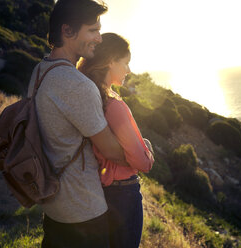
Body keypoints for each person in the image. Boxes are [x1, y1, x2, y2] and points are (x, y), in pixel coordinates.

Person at [27, 1, 128, 248]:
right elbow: (112, 151)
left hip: (54, 209)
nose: (99, 39)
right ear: (67, 31)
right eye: (92, 30)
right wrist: (143, 151)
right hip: (84, 213)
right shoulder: (76, 84)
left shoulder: (40, 71)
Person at [78, 33, 155, 248]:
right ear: (111, 61)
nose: (129, 70)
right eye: (126, 63)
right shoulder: (115, 106)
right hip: (124, 194)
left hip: (102, 191)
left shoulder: (92, 97)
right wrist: (148, 150)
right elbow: (142, 163)